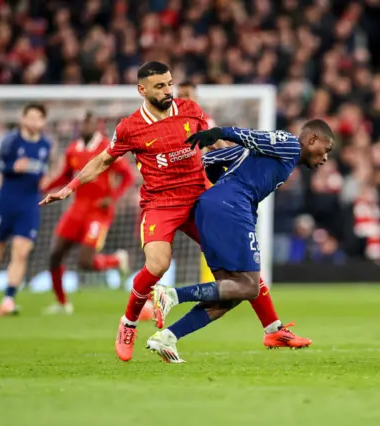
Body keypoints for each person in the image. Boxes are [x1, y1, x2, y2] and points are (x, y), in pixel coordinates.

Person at [40, 61, 311, 362]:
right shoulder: (129, 127)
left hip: (200, 199)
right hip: (160, 203)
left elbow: (213, 146)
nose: (168, 90)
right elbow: (103, 161)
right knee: (157, 265)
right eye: (160, 86)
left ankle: (272, 328)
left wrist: (229, 171)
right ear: (141, 90)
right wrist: (70, 186)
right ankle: (128, 323)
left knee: (239, 270)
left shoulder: (190, 110)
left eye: (169, 83)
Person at [148, 120, 334, 363]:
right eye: (326, 149)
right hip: (232, 207)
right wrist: (221, 133)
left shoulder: (267, 156)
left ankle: (168, 337)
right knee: (249, 286)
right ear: (312, 140)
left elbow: (211, 161)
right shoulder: (290, 145)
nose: (326, 158)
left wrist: (220, 182)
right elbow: (253, 136)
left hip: (214, 206)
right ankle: (172, 295)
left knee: (231, 294)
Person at [41, 112, 135, 314]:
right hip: (77, 208)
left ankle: (116, 260)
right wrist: (46, 187)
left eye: (89, 123)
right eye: (82, 123)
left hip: (99, 211)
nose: (85, 127)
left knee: (85, 262)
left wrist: (113, 197)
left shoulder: (106, 148)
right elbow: (66, 175)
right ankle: (62, 303)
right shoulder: (73, 149)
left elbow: (127, 176)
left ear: (97, 126)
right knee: (55, 255)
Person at [0, 103, 51, 316]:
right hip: (6, 203)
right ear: (23, 119)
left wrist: (46, 179)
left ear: (43, 122)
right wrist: (11, 167)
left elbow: (42, 171)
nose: (35, 122)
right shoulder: (10, 140)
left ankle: (8, 299)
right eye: (31, 117)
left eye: (39, 118)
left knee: (21, 252)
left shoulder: (45, 144)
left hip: (29, 205)